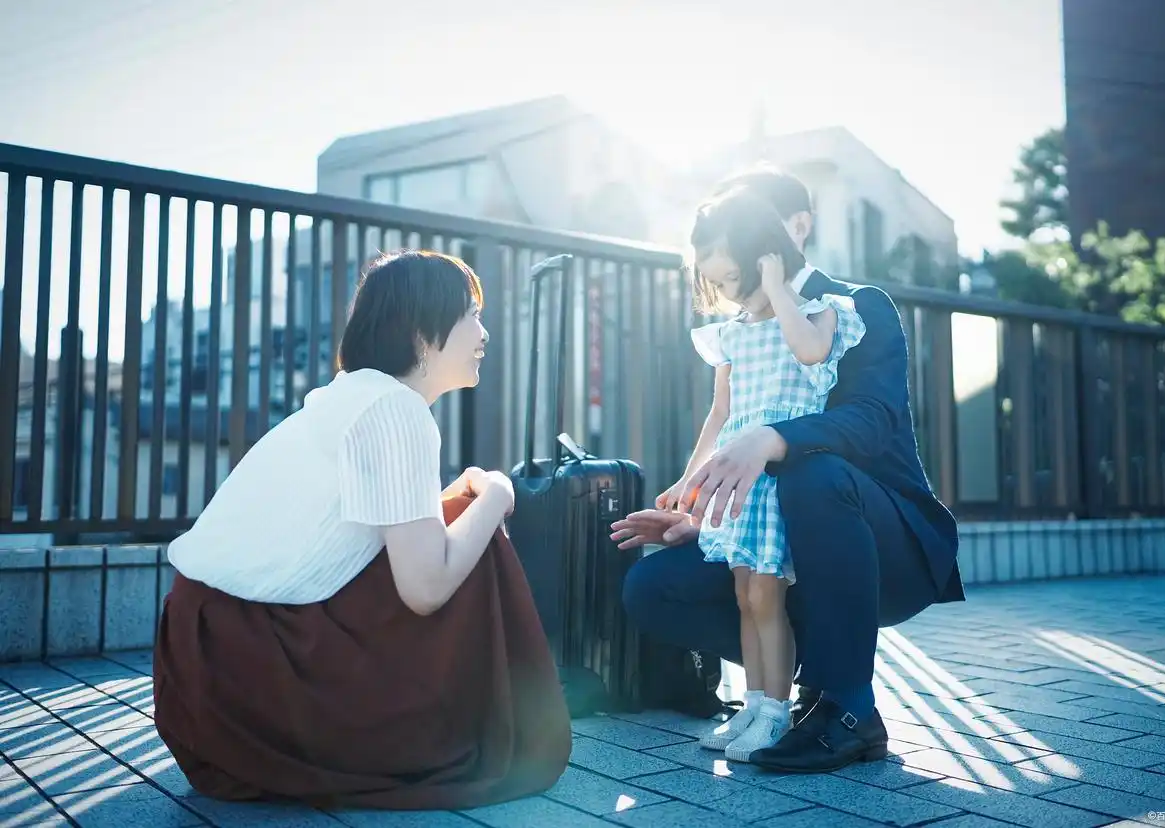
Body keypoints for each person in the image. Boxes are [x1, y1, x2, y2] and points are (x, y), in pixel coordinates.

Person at [152, 250, 571, 810]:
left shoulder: (349, 395)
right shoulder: (394, 409)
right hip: (247, 674)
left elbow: (377, 535)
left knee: (455, 517)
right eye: (472, 315)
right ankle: (490, 730)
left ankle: (453, 723)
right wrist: (497, 492)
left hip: (204, 675)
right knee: (480, 535)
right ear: (421, 331)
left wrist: (460, 501)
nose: (484, 333)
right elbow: (425, 588)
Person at [612, 165, 965, 773]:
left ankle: (847, 708)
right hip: (769, 526)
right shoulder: (737, 328)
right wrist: (698, 508)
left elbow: (872, 420)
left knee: (812, 474)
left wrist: (773, 438)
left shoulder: (852, 306)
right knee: (652, 586)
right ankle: (776, 693)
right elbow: (724, 415)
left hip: (880, 540)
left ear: (794, 227)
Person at [659, 188, 867, 761]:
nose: (727, 291)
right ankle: (753, 704)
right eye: (717, 281)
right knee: (744, 593)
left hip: (779, 477)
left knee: (767, 594)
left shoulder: (820, 310)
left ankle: (777, 712)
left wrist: (778, 287)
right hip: (738, 483)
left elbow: (811, 352)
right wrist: (690, 480)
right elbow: (720, 414)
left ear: (762, 256)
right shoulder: (731, 332)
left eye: (732, 277)